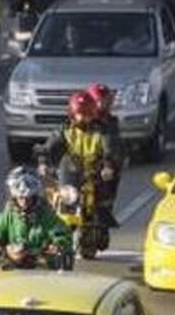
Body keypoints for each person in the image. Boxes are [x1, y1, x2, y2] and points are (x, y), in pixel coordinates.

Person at [39, 92, 120, 228]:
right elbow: (49, 146)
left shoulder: (102, 131)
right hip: (70, 172)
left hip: (94, 173)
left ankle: (101, 223)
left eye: (87, 114)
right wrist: (43, 162)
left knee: (103, 197)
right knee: (50, 197)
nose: (83, 118)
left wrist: (108, 166)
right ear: (72, 113)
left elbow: (109, 149)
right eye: (79, 114)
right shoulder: (65, 130)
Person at [0, 167, 73, 269]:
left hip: (44, 275)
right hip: (11, 274)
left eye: (28, 198)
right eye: (20, 198)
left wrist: (54, 248)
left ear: (35, 196)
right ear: (13, 196)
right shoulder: (6, 219)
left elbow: (64, 236)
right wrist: (6, 253)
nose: (24, 202)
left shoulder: (47, 217)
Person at [86, 83, 124, 225]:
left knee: (108, 181)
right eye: (97, 100)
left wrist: (108, 164)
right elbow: (62, 137)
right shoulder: (77, 119)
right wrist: (45, 156)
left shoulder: (110, 123)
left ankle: (104, 210)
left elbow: (111, 145)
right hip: (79, 161)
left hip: (101, 163)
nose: (100, 104)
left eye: (104, 100)